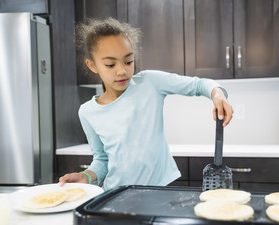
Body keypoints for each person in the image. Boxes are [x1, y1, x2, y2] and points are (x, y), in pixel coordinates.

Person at [59, 18, 233, 190]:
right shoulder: (88, 112)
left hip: (159, 190)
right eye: (110, 64)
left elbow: (198, 85)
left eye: (128, 61)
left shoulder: (150, 82)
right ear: (93, 66)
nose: (122, 71)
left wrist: (217, 93)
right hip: (116, 194)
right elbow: (102, 160)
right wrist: (86, 176)